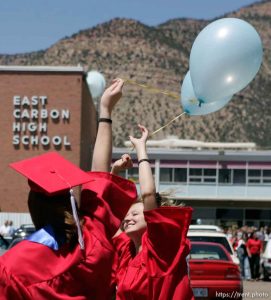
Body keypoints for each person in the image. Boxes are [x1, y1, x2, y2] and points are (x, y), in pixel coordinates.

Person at [0, 79, 137, 300]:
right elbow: (99, 176)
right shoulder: (93, 240)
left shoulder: (12, 265)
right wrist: (105, 110)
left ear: (33, 207)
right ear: (68, 200)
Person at [112, 124, 194, 300]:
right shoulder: (127, 251)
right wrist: (115, 171)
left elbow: (148, 193)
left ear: (150, 219)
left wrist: (141, 149)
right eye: (126, 215)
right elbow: (109, 215)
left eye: (135, 214)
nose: (127, 218)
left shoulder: (160, 245)